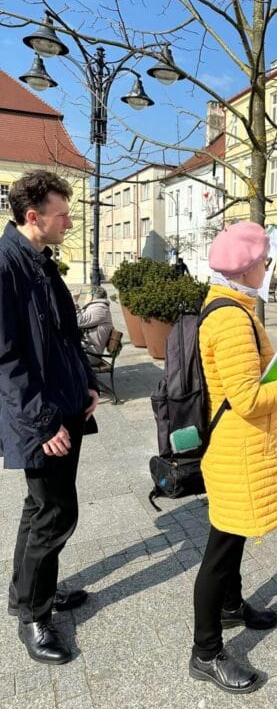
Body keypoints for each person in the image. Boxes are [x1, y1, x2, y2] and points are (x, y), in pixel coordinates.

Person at [188, 221, 277, 694]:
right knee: (220, 550)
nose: (269, 269)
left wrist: (274, 364)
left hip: (237, 446)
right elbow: (246, 399)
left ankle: (232, 606)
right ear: (248, 266)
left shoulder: (231, 306)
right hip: (236, 451)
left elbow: (244, 378)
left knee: (234, 538)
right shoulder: (231, 318)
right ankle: (206, 652)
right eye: (265, 262)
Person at [0, 170, 99, 665]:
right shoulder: (5, 267)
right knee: (57, 513)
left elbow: (65, 334)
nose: (69, 222)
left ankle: (30, 592)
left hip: (65, 406)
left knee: (40, 509)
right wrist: (44, 424)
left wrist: (87, 384)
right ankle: (34, 617)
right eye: (63, 215)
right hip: (41, 419)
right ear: (33, 216)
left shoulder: (39, 261)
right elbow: (7, 359)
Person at [74, 286, 114, 363]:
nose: (85, 298)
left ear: (91, 296)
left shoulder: (100, 309)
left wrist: (74, 301)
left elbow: (79, 321)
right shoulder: (96, 307)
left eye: (87, 295)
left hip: (91, 355)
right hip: (86, 349)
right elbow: (82, 317)